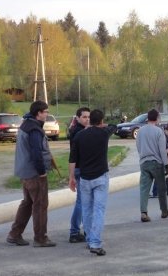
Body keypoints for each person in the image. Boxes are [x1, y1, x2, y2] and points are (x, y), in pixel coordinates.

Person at [7, 100, 56, 247]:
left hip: (25, 173)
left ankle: (14, 234)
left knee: (28, 203)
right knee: (40, 205)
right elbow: (36, 153)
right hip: (35, 174)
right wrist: (41, 172)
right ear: (38, 113)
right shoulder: (34, 129)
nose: (47, 114)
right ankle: (41, 238)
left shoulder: (25, 125)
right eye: (45, 112)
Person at [69, 109, 117, 256]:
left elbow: (73, 159)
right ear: (101, 121)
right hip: (101, 177)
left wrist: (71, 177)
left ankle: (90, 239)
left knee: (87, 210)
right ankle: (95, 243)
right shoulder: (104, 134)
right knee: (98, 210)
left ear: (90, 120)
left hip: (84, 178)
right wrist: (102, 125)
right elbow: (114, 126)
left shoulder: (79, 136)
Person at [136, 109, 168, 223]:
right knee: (161, 188)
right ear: (157, 118)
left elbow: (138, 146)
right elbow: (162, 149)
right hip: (156, 162)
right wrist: (166, 164)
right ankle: (164, 210)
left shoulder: (140, 131)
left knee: (144, 189)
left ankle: (144, 212)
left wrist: (142, 157)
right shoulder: (158, 131)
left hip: (144, 162)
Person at [68, 107, 90, 243]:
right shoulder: (78, 132)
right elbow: (73, 157)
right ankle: (74, 232)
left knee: (84, 201)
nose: (87, 119)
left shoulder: (82, 130)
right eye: (84, 117)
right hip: (80, 169)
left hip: (82, 169)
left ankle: (82, 229)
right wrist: (71, 176)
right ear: (77, 118)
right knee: (81, 202)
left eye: (89, 117)